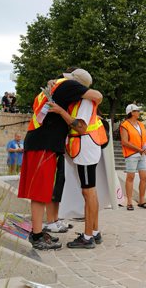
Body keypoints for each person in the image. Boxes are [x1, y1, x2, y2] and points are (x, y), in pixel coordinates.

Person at [18, 68, 102, 250]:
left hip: (41, 142)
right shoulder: (69, 86)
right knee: (40, 192)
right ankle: (37, 235)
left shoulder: (53, 88)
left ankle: (39, 231)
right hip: (44, 144)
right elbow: (97, 95)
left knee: (42, 190)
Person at [63, 97, 108, 248]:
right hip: (87, 148)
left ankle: (88, 236)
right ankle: (94, 232)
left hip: (85, 149)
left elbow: (80, 127)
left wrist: (60, 111)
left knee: (88, 193)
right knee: (90, 192)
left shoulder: (85, 102)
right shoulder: (85, 101)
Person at [120, 103, 146, 211]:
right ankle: (129, 202)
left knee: (144, 177)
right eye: (137, 111)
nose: (139, 112)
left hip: (142, 154)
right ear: (131, 112)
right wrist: (138, 149)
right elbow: (124, 141)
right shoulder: (125, 125)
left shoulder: (141, 124)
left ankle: (142, 201)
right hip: (131, 154)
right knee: (130, 177)